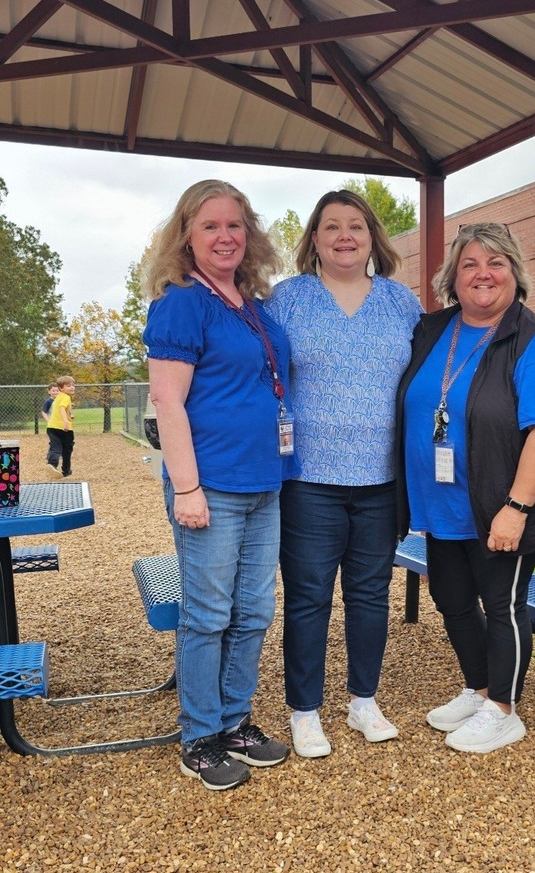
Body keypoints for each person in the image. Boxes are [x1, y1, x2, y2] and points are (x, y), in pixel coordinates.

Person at [143, 179, 297, 791]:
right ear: (187, 236)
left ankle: (235, 720)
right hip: (211, 486)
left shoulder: (250, 302)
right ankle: (200, 734)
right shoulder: (183, 301)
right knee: (208, 614)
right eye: (210, 226)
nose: (225, 236)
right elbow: (167, 401)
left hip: (266, 483)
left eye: (235, 225)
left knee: (254, 609)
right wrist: (186, 489)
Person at [396, 223, 535, 754]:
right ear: (453, 276)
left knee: (501, 601)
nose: (483, 274)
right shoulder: (432, 330)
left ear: (514, 272)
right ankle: (478, 687)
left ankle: (504, 708)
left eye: (496, 262)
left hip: (499, 502)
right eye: (470, 264)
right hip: (442, 498)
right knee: (450, 598)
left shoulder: (534, 339)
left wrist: (516, 507)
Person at [266, 189, 422, 758]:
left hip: (381, 480)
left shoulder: (400, 303)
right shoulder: (288, 301)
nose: (344, 236)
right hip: (309, 479)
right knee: (308, 597)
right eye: (331, 227)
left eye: (355, 225)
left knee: (369, 594)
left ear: (372, 236)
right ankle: (304, 711)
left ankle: (363, 700)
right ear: (314, 239)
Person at [45, 376, 76, 477]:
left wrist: (69, 413)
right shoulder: (66, 397)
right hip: (64, 428)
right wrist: (65, 421)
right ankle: (66, 470)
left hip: (51, 427)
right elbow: (62, 408)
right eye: (68, 386)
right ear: (61, 388)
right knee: (67, 449)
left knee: (55, 446)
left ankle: (52, 465)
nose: (72, 387)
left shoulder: (59, 396)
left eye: (73, 385)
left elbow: (61, 407)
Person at [42, 383, 60, 469]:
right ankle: (51, 462)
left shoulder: (60, 400)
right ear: (49, 392)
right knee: (55, 443)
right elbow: (44, 412)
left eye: (57, 390)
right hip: (52, 426)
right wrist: (48, 421)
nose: (56, 392)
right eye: (53, 391)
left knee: (57, 442)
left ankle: (51, 455)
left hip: (60, 426)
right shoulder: (49, 401)